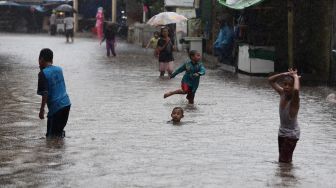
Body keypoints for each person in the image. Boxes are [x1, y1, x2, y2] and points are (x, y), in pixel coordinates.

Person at [268, 68, 301, 163]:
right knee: (284, 161)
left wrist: (295, 76)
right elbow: (270, 80)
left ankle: (286, 176)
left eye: (289, 85)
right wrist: (285, 74)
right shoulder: (282, 93)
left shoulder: (295, 101)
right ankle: (287, 176)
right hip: (282, 131)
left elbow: (296, 90)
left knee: (283, 160)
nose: (286, 87)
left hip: (291, 134)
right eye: (285, 84)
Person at [37, 48, 71, 138]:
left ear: (41, 59)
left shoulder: (42, 74)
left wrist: (41, 110)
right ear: (52, 60)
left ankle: (55, 151)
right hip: (66, 104)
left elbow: (45, 93)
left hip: (56, 109)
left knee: (51, 137)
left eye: (39, 60)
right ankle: (61, 150)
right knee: (58, 133)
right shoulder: (59, 69)